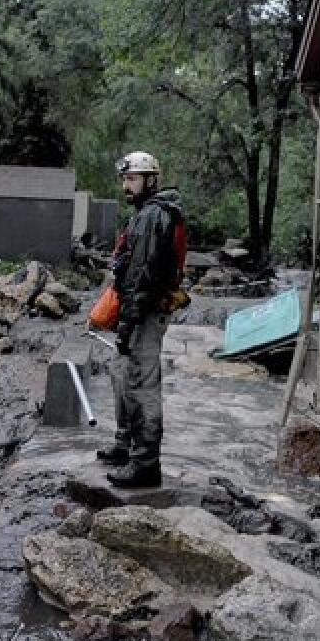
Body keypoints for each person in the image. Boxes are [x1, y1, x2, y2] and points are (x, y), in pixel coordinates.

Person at [97, 151, 185, 488]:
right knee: (121, 374)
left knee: (142, 385)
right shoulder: (145, 215)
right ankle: (126, 445)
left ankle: (146, 463)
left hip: (144, 313)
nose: (125, 185)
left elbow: (142, 277)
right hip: (135, 311)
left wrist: (128, 321)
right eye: (124, 179)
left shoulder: (154, 216)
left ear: (150, 180)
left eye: (131, 179)